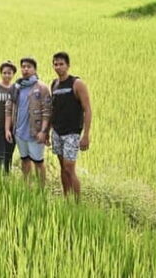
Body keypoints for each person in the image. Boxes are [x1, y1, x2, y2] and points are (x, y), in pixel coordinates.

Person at [50, 51, 92, 201]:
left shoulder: (77, 83)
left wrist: (86, 135)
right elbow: (53, 109)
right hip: (57, 131)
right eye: (55, 64)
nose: (58, 67)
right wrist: (48, 130)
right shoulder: (54, 84)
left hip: (72, 133)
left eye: (61, 64)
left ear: (68, 65)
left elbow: (87, 109)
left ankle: (77, 203)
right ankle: (67, 199)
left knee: (69, 168)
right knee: (62, 167)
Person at [5, 57, 51, 187]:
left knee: (38, 162)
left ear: (35, 69)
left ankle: (41, 189)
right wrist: (8, 129)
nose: (25, 69)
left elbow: (47, 112)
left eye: (29, 67)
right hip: (19, 132)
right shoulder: (16, 87)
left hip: (35, 133)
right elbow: (9, 108)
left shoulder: (42, 88)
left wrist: (44, 131)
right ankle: (27, 186)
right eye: (23, 67)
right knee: (24, 159)